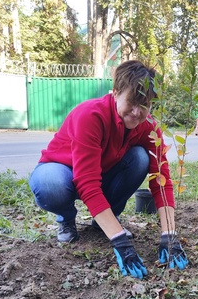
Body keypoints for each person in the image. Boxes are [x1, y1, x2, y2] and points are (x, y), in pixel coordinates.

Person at [29, 60, 188, 279]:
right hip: (63, 171)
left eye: (145, 105)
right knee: (50, 183)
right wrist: (120, 240)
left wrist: (169, 233)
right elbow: (87, 182)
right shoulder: (91, 116)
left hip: (102, 174)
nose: (137, 111)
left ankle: (105, 219)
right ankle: (66, 219)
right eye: (132, 101)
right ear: (115, 93)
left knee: (140, 159)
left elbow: (161, 179)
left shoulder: (149, 128)